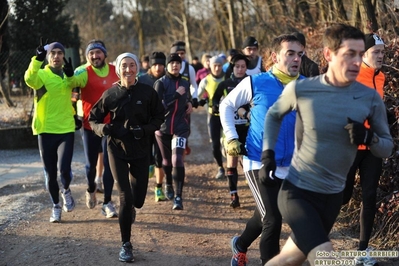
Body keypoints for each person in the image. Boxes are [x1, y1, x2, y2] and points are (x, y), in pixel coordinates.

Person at [262, 24, 393, 266]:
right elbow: (273, 115)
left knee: (289, 258)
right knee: (327, 258)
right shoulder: (303, 88)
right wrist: (267, 154)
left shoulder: (370, 98)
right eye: (349, 54)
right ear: (328, 54)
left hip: (332, 197)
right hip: (298, 192)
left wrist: (369, 139)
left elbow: (387, 147)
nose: (356, 61)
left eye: (359, 53)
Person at [220, 34, 304, 265]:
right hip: (258, 160)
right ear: (275, 57)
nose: (296, 58)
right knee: (273, 219)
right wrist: (231, 137)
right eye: (290, 53)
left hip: (291, 164)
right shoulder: (256, 82)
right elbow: (226, 105)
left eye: (300, 54)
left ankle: (240, 244)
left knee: (266, 213)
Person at [89, 52, 164, 262]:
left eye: (132, 65)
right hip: (116, 149)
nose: (128, 70)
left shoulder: (148, 93)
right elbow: (92, 119)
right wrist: (104, 128)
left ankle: (132, 206)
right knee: (124, 197)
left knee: (137, 200)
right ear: (118, 69)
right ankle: (126, 245)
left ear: (137, 68)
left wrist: (146, 129)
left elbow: (160, 116)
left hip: (140, 150)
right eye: (124, 66)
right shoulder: (110, 94)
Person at [342, 33, 390, 266]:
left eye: (382, 52)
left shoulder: (380, 78)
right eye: (376, 52)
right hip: (350, 146)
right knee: (343, 196)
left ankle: (363, 250)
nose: (381, 56)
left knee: (370, 196)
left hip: (372, 146)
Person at [24, 39, 77, 223]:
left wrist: (70, 75)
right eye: (53, 53)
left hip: (66, 129)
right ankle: (56, 206)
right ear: (48, 57)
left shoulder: (67, 75)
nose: (56, 56)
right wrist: (36, 60)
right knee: (50, 173)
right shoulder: (42, 76)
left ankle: (67, 190)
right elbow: (29, 78)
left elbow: (77, 85)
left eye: (60, 53)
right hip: (45, 130)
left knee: (64, 171)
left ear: (64, 56)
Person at [69, 39, 119, 218]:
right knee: (90, 166)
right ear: (87, 56)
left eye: (98, 52)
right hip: (90, 125)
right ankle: (91, 188)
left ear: (105, 54)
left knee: (109, 163)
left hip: (110, 125)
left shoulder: (115, 70)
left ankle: (107, 202)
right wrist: (73, 112)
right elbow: (73, 88)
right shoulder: (83, 72)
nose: (94, 56)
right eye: (91, 53)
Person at [153, 53, 193, 210]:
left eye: (178, 63)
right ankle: (168, 183)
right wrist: (176, 95)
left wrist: (189, 102)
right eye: (172, 63)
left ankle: (178, 197)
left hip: (180, 127)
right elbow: (158, 107)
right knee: (167, 161)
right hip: (162, 128)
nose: (175, 65)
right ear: (167, 66)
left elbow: (187, 97)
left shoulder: (185, 82)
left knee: (177, 160)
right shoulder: (160, 83)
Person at [212, 53, 249, 208]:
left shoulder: (251, 83)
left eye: (243, 67)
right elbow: (215, 100)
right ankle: (233, 194)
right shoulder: (225, 84)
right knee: (232, 161)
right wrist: (216, 107)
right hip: (231, 129)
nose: (240, 69)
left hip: (248, 128)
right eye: (237, 66)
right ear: (232, 67)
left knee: (249, 162)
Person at [138, 51, 168, 202]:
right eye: (155, 64)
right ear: (150, 64)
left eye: (161, 65)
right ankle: (148, 167)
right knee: (145, 156)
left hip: (161, 124)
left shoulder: (167, 80)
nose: (158, 68)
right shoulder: (141, 79)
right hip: (143, 124)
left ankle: (158, 188)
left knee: (159, 157)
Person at [198, 56, 225, 179]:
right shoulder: (206, 80)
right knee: (215, 145)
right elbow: (196, 96)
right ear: (211, 66)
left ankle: (232, 168)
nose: (217, 68)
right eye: (215, 65)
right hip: (213, 116)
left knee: (230, 142)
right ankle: (220, 167)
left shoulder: (227, 78)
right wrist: (202, 101)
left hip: (227, 116)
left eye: (219, 65)